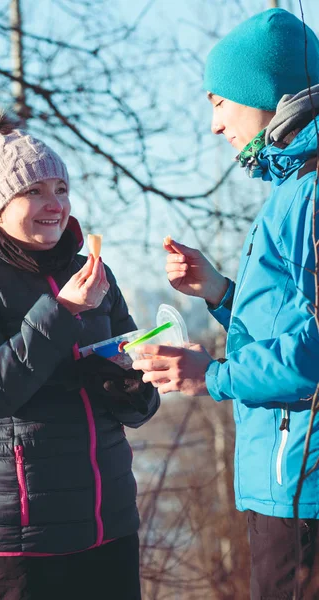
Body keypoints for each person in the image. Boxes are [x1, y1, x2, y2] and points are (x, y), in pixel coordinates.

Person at [133, 8, 319, 599]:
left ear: (265, 92)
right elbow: (292, 318)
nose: (214, 125)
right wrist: (221, 292)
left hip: (303, 487)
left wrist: (212, 374)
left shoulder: (313, 190)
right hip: (284, 479)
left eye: (218, 102)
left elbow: (314, 351)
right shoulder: (294, 187)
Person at [0, 103, 160, 600]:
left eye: (61, 189)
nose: (55, 203)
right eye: (33, 191)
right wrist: (62, 310)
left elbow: (139, 404)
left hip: (110, 522)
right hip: (22, 540)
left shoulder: (92, 271)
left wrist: (133, 381)